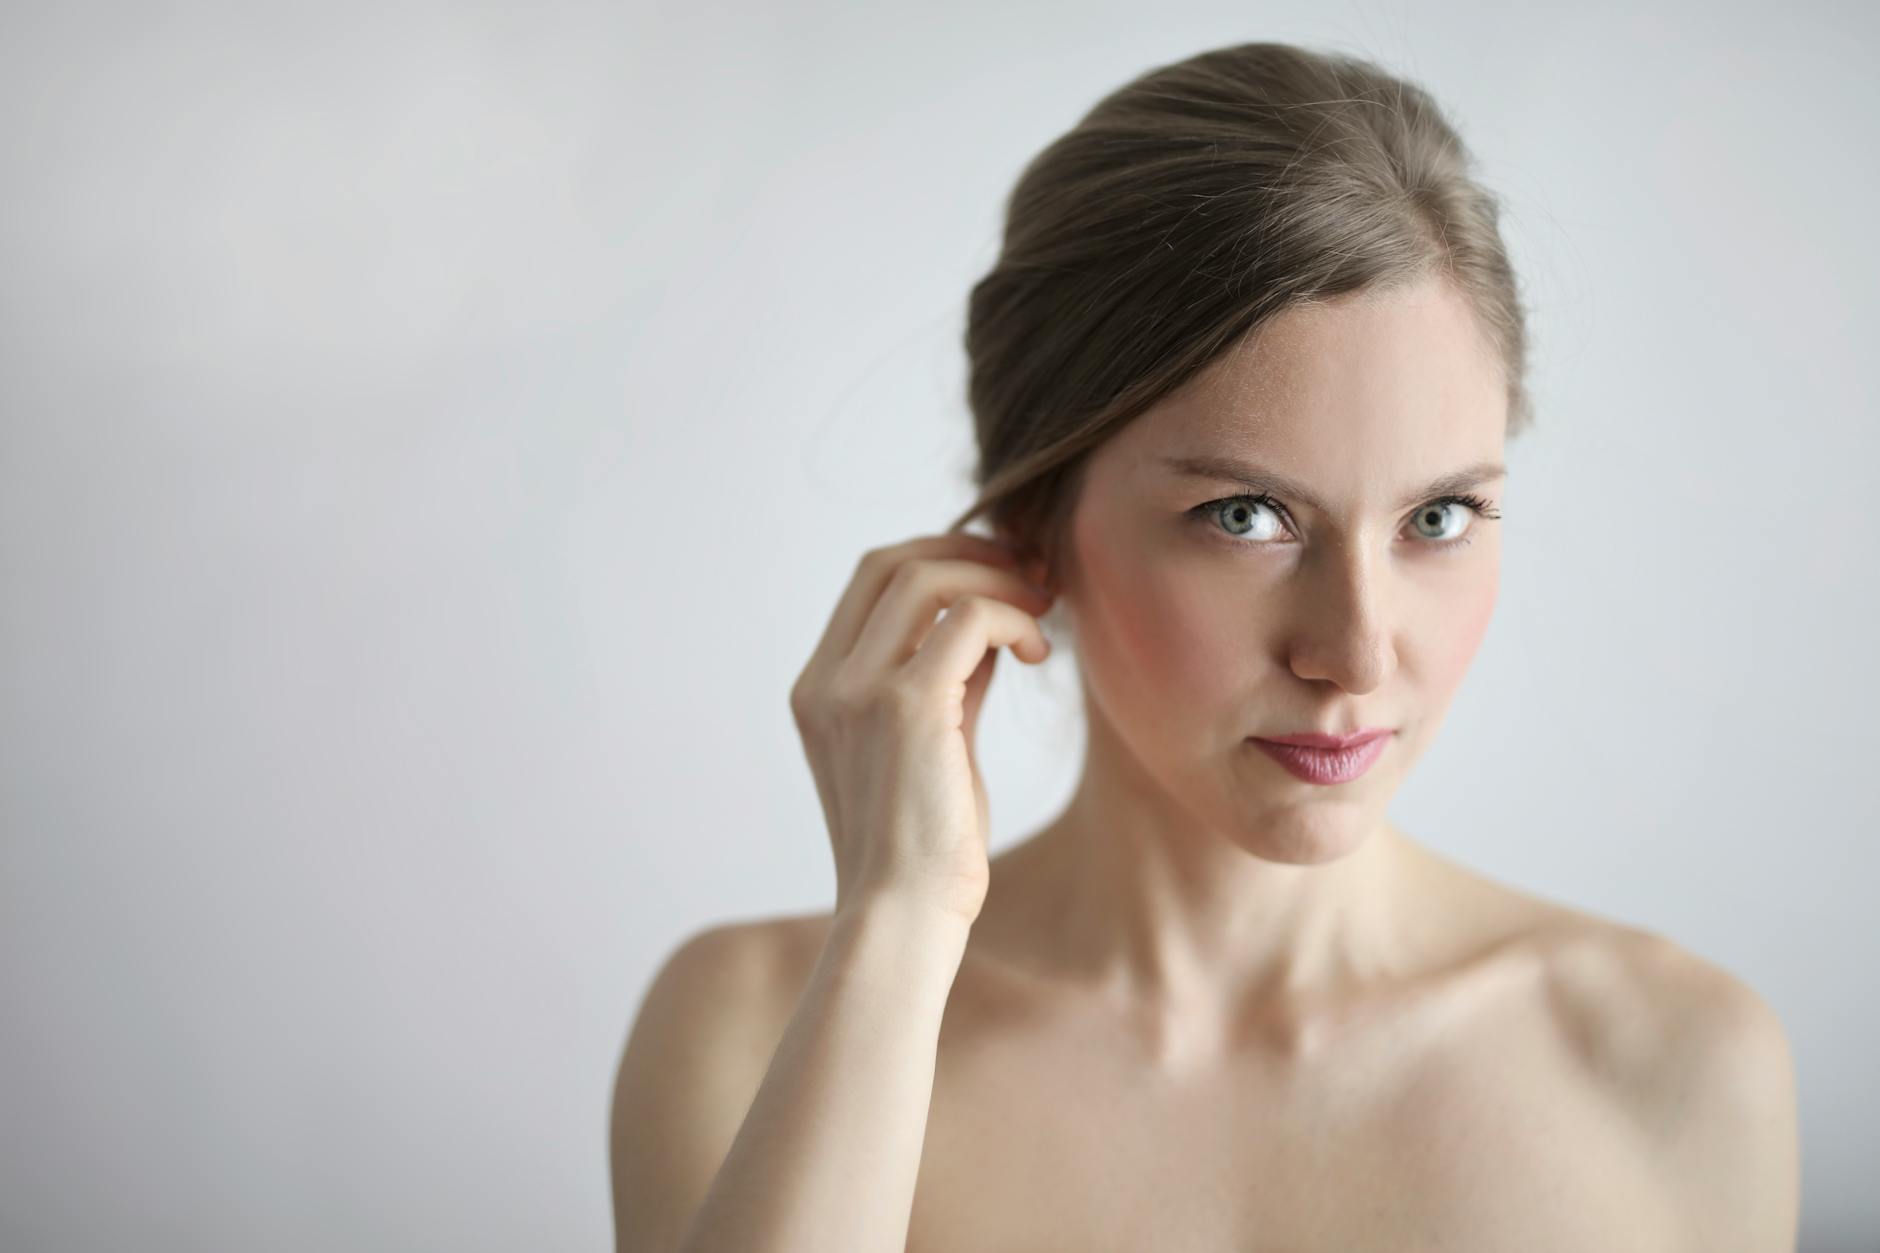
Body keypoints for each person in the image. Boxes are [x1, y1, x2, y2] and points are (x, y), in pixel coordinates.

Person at [610, 40, 1800, 1253]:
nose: (1354, 653)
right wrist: (900, 923)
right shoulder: (755, 1033)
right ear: (1031, 526)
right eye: (1246, 516)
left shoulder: (1675, 1062)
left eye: (1436, 517)